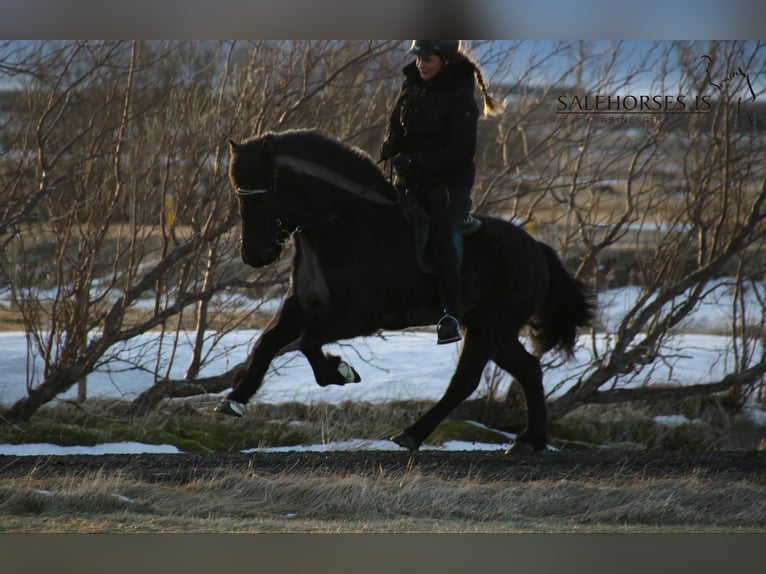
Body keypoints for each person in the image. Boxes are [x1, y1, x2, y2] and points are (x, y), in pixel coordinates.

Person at [380, 40, 504, 344]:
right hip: (410, 180)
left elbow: (461, 153)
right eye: (419, 58)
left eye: (428, 59)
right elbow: (397, 125)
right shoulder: (411, 85)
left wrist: (415, 160)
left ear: (445, 61)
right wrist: (392, 144)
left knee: (439, 232)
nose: (421, 63)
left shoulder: (460, 98)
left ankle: (451, 312)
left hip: (448, 185)